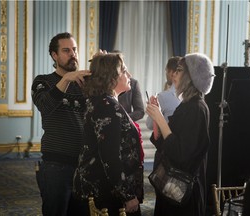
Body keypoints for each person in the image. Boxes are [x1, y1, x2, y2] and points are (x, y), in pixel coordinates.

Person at [73, 53, 143, 216]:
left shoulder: (104, 101)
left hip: (106, 187)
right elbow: (110, 157)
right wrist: (128, 195)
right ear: (112, 77)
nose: (129, 76)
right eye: (125, 71)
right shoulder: (107, 106)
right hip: (105, 192)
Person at [146, 53, 215, 216]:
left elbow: (181, 153)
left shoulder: (197, 108)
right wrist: (157, 119)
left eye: (179, 71)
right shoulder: (186, 105)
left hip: (184, 195)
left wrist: (161, 119)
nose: (173, 74)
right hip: (172, 190)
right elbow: (164, 142)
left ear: (191, 77)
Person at [31, 32, 91, 216]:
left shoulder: (86, 84)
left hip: (84, 165)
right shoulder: (43, 81)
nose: (73, 54)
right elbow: (45, 106)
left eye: (74, 49)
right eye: (66, 50)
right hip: (56, 165)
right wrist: (66, 79)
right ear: (54, 55)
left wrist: (103, 66)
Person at [146, 56, 181, 130]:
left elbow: (150, 125)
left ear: (172, 73)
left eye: (166, 71)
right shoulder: (188, 95)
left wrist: (151, 108)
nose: (166, 74)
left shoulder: (162, 97)